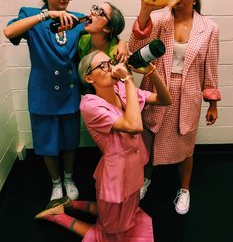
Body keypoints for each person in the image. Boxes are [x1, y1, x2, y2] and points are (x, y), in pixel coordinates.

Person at [3, 0, 126, 202]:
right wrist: (45, 16)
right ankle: (55, 182)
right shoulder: (30, 15)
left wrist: (123, 42)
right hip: (42, 93)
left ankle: (69, 177)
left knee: (70, 141)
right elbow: (9, 32)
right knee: (46, 142)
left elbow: (106, 29)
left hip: (70, 93)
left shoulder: (78, 19)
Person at [34, 49, 172, 241]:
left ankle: (70, 204)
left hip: (134, 168)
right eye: (103, 65)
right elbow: (134, 126)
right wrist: (129, 80)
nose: (111, 68)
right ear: (89, 78)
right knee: (108, 232)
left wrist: (151, 71)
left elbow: (166, 100)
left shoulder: (121, 91)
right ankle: (57, 216)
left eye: (110, 62)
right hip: (115, 177)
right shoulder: (90, 104)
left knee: (123, 213)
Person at [129, 0, 221, 214]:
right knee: (148, 139)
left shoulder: (209, 28)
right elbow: (134, 50)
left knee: (186, 145)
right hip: (155, 87)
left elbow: (209, 67)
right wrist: (145, 10)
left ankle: (184, 189)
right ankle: (145, 179)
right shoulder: (159, 19)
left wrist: (212, 103)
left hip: (187, 93)